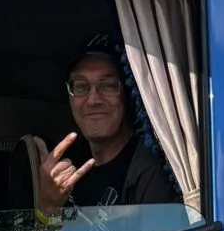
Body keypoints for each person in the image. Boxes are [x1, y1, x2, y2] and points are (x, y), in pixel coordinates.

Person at [31, 47, 180, 218]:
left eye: (108, 86)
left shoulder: (152, 170)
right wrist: (48, 208)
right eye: (81, 86)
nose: (94, 100)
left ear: (127, 93)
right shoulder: (65, 168)